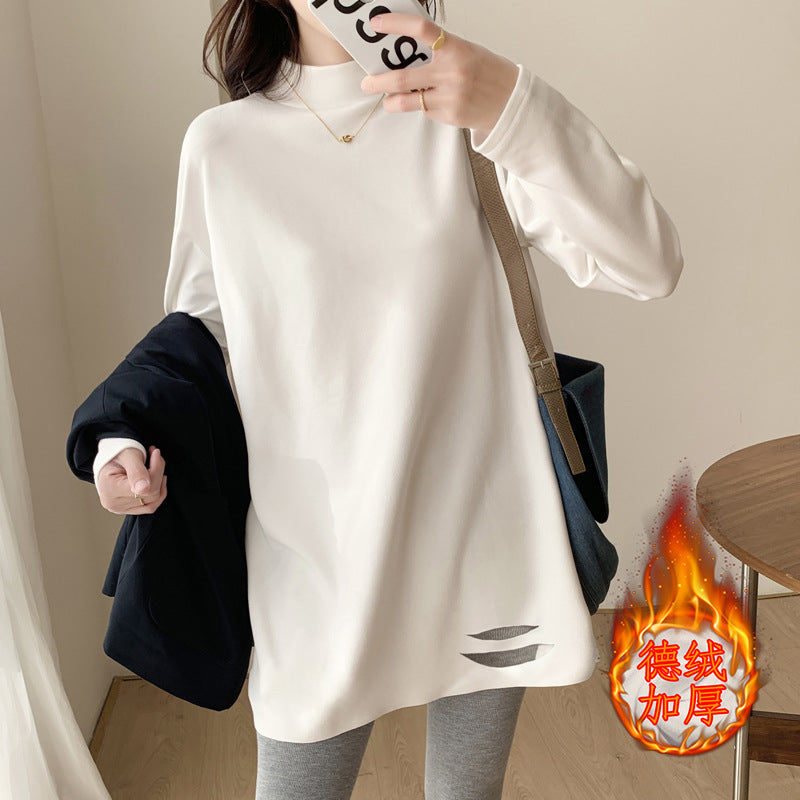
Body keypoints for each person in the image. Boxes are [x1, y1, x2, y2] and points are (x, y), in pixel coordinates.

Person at [92, 1, 684, 798]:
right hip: (316, 563)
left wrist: (512, 102)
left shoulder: (466, 112)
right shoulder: (223, 147)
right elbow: (197, 339)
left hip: (480, 544)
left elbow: (649, 264)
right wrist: (121, 440)